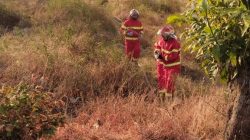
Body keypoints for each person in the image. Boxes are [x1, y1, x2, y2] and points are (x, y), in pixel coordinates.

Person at [153, 25, 181, 101]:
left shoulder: (175, 43)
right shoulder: (162, 40)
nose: (162, 36)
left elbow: (172, 56)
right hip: (166, 66)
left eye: (163, 35)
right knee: (163, 81)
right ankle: (162, 98)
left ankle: (169, 101)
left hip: (173, 67)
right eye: (162, 35)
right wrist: (156, 53)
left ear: (169, 35)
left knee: (169, 83)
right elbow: (157, 46)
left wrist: (162, 57)